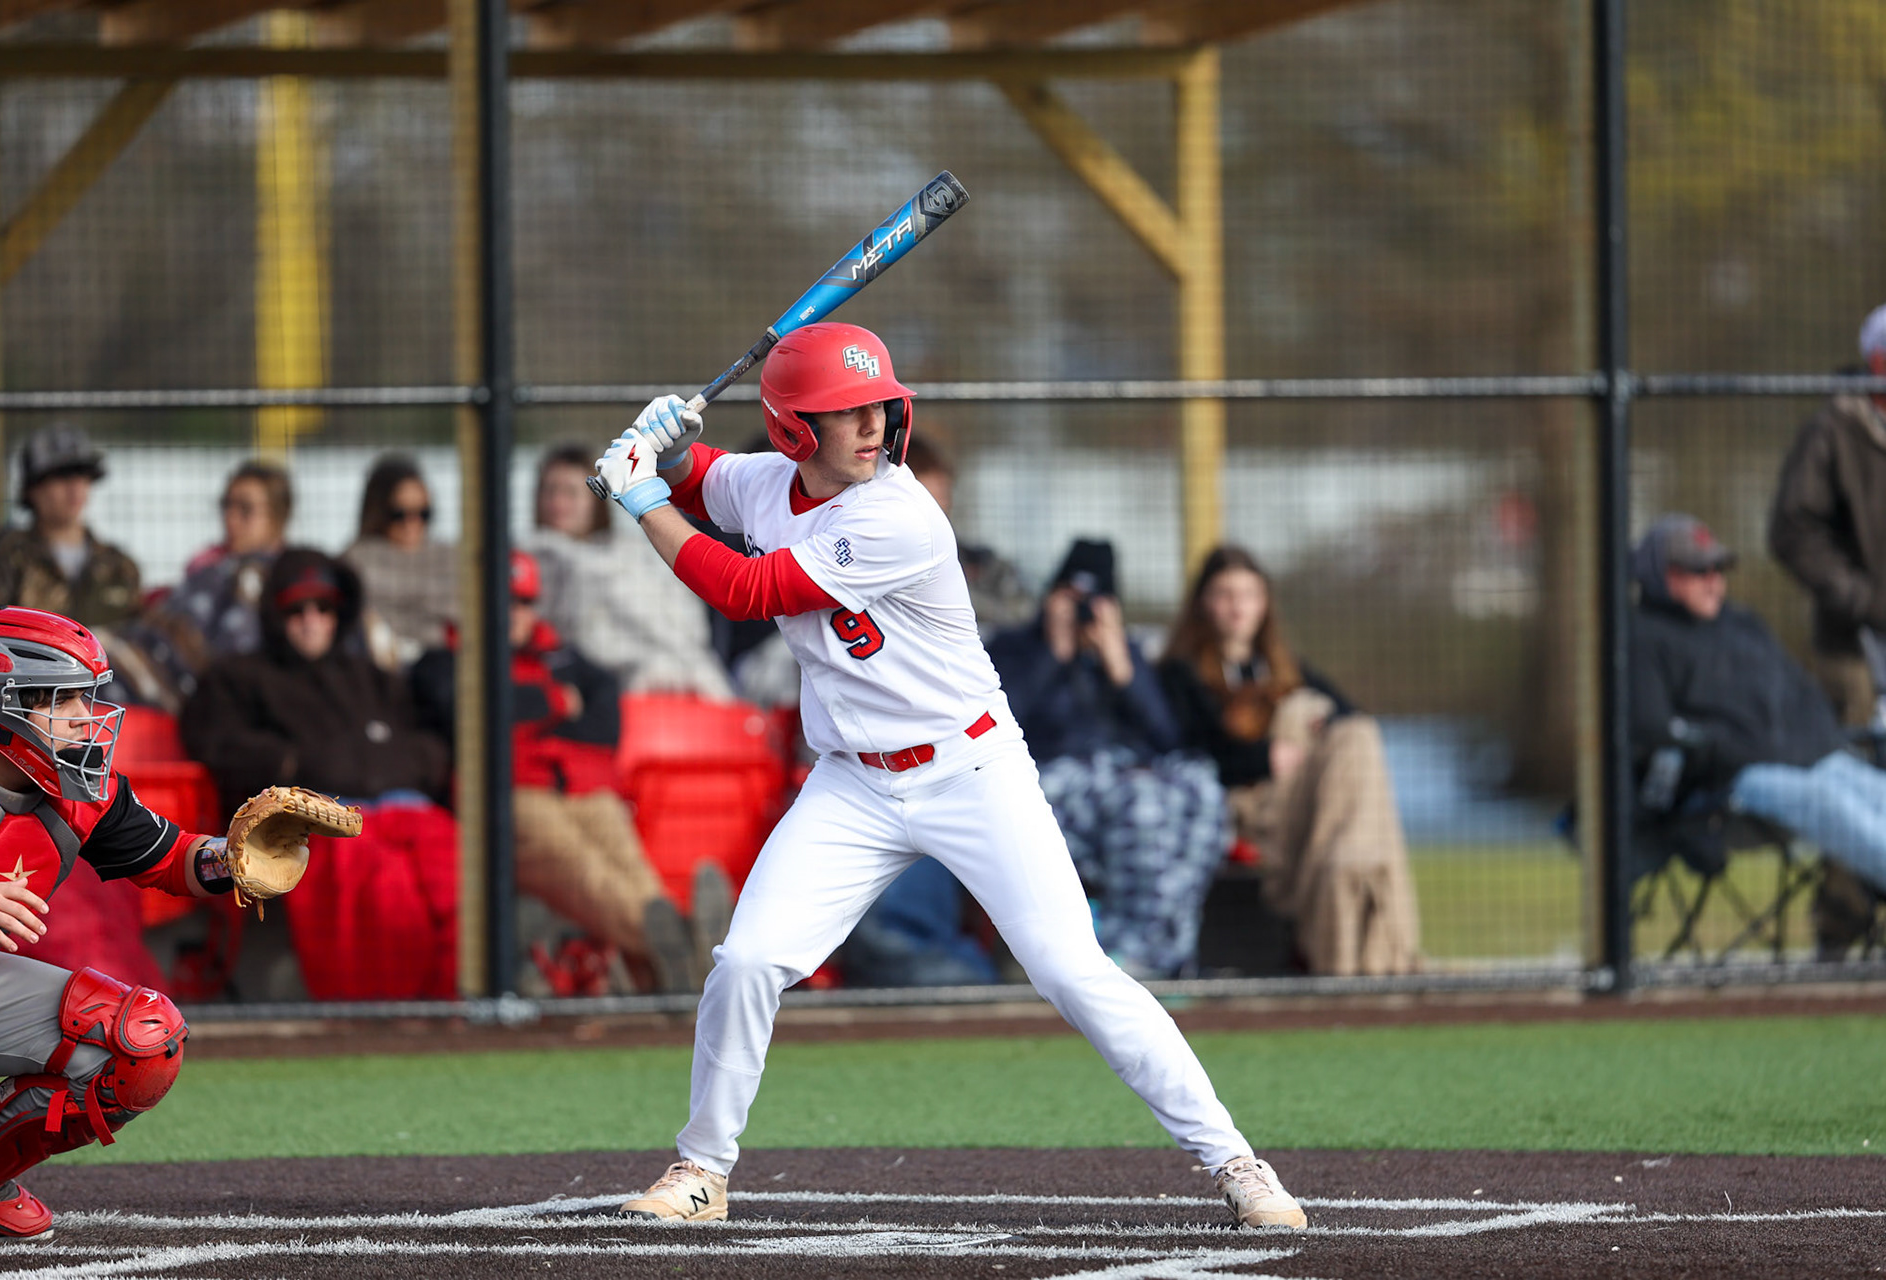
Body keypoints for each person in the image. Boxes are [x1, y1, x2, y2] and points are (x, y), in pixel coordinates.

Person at [591, 322, 1305, 1231]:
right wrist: (667, 445)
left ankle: (1237, 1165)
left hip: (971, 768)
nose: (872, 425)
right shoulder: (770, 480)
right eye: (843, 413)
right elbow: (712, 479)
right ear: (791, 432)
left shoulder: (898, 513)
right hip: (852, 782)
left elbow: (747, 590)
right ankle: (702, 1169)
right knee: (748, 960)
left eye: (878, 406)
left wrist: (643, 495)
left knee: (1072, 970)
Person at [0, 605, 260, 1241]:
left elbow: (173, 860)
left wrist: (237, 860)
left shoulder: (79, 790)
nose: (83, 716)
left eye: (85, 696)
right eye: (63, 698)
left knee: (141, 1041)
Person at [409, 549, 712, 995]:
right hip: (509, 799)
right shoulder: (445, 659)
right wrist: (553, 701)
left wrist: (522, 709)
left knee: (629, 864)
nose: (514, 613)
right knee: (587, 871)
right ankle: (694, 946)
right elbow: (469, 707)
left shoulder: (561, 653)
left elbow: (604, 720)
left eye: (524, 602)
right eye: (503, 600)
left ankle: (679, 966)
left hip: (582, 787)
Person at [180, 549, 457, 1000]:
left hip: (408, 815)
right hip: (317, 825)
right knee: (381, 883)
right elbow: (215, 742)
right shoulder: (240, 677)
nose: (311, 620)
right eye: (296, 609)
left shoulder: (372, 677)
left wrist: (384, 764)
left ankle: (456, 1007)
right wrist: (293, 766)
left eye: (324, 607)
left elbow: (430, 743)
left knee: (457, 870)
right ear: (275, 614)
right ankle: (386, 1017)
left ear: (339, 614)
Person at [1158, 545, 1420, 977]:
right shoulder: (1181, 673)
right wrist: (1265, 757)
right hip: (1241, 802)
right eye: (1225, 594)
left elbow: (1347, 716)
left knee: (1354, 735)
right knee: (1328, 734)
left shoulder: (1284, 668)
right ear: (1203, 602)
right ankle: (1355, 907)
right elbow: (1192, 753)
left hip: (1306, 800)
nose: (1238, 607)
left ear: (1265, 603)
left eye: (1249, 594)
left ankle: (1346, 865)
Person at [989, 538, 1231, 980]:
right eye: (1072, 598)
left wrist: (1121, 667)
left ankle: (1158, 951)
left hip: (1128, 776)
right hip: (1052, 779)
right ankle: (1126, 958)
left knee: (1199, 790)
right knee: (1141, 803)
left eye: (1093, 601)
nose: (1083, 612)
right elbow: (1003, 722)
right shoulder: (1015, 649)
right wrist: (1054, 654)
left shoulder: (1127, 655)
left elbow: (1169, 738)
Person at [1632, 514, 1886, 904]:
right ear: (1660, 576)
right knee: (1826, 801)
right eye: (1698, 571)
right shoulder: (1644, 638)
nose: (1714, 581)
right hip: (1734, 784)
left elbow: (1804, 692)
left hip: (1810, 760)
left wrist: (1822, 743)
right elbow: (1654, 729)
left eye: (1717, 569)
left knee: (1872, 789)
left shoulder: (1742, 623)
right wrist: (1724, 749)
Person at [1768, 303, 1886, 955]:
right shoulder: (1834, 429)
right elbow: (1792, 529)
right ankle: (1842, 925)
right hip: (1856, 644)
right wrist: (1861, 597)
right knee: (1854, 768)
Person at [524, 444, 734, 700]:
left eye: (570, 493)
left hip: (663, 668)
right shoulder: (526, 558)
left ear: (595, 500)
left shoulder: (634, 552)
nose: (558, 503)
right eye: (549, 491)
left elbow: (681, 621)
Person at [0, 424, 140, 628]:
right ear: (32, 488)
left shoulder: (121, 567)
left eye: (83, 474)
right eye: (62, 475)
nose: (75, 487)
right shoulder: (2, 558)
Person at [902, 432, 1034, 640]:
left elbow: (1022, 611)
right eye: (926, 471)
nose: (942, 484)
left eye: (943, 476)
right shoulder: (890, 556)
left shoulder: (979, 559)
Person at [163, 459, 294, 660]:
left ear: (278, 515)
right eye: (226, 505)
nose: (230, 517)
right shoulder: (204, 567)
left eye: (245, 509)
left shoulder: (294, 577)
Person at [342, 454, 458, 668]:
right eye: (400, 514)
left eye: (423, 514)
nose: (412, 524)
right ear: (378, 511)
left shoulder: (449, 557)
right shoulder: (356, 562)